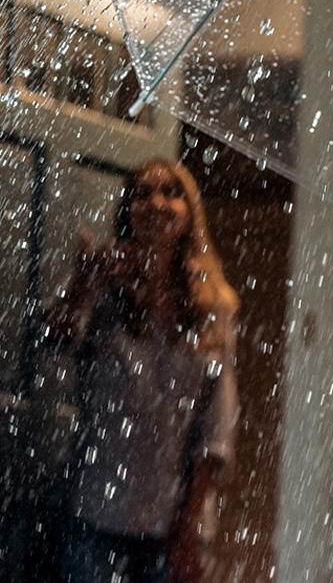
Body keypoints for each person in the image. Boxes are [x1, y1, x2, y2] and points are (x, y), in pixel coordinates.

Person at [45, 159, 240, 583]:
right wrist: (86, 282)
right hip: (98, 511)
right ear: (127, 210)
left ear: (190, 212)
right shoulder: (102, 288)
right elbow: (53, 343)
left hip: (173, 523)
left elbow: (216, 427)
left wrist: (187, 526)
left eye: (172, 192)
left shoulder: (214, 306)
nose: (157, 203)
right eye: (142, 193)